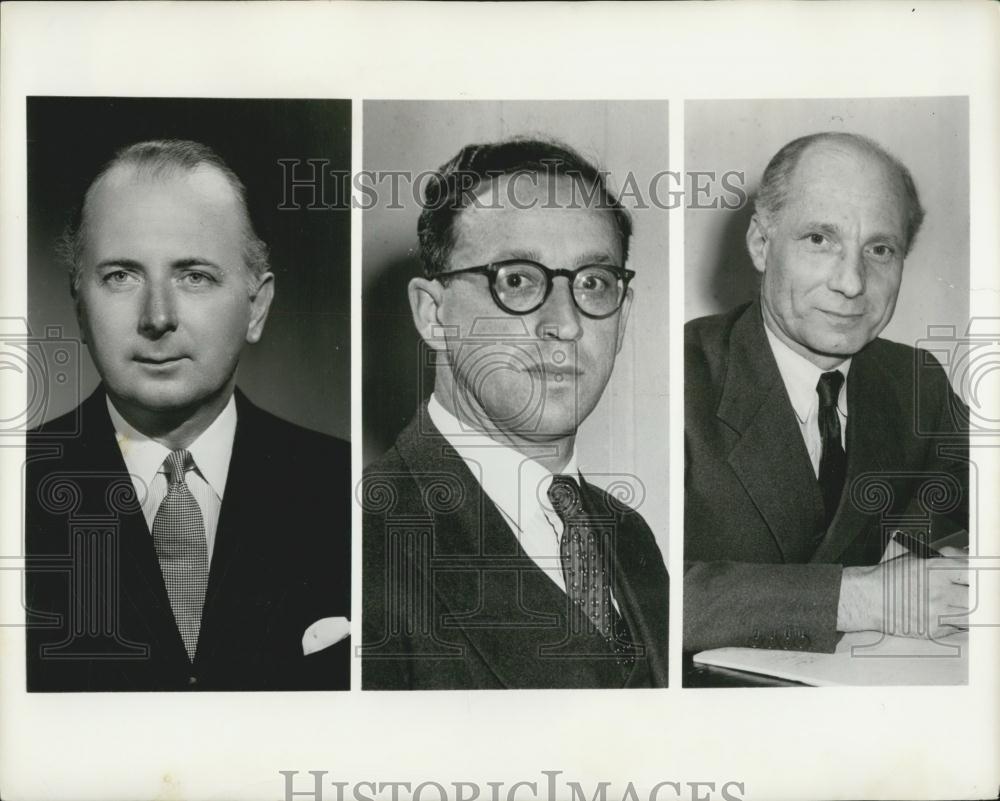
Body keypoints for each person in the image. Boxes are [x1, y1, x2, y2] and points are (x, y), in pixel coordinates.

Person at [25, 139, 351, 691]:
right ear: (79, 305)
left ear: (258, 306)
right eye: (120, 276)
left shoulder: (349, 488)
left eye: (194, 276)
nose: (157, 316)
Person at [362, 138, 669, 690]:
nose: (565, 323)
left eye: (594, 283)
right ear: (433, 316)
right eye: (518, 280)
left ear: (623, 319)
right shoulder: (364, 546)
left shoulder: (631, 535)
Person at [684, 132, 969, 657]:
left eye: (879, 249)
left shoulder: (915, 379)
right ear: (760, 245)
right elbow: (638, 595)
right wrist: (858, 599)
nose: (853, 282)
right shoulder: (681, 379)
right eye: (820, 239)